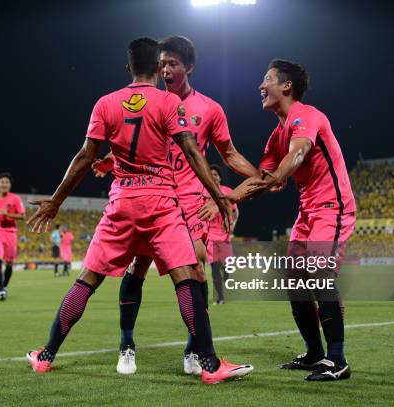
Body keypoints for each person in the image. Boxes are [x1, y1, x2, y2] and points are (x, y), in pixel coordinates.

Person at [25, 37, 253, 384]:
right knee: (187, 277)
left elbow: (85, 156)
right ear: (158, 68)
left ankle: (45, 355)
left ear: (128, 67)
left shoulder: (106, 103)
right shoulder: (168, 102)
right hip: (162, 202)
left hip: (122, 203)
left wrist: (56, 201)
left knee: (88, 278)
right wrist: (219, 195)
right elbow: (192, 153)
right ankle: (208, 364)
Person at [92, 36, 258, 375]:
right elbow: (134, 143)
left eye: (173, 64)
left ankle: (193, 352)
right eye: (162, 63)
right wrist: (110, 161)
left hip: (188, 200)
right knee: (136, 268)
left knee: (197, 269)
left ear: (189, 68)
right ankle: (126, 346)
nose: (166, 69)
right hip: (151, 197)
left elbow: (228, 153)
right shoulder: (147, 101)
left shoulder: (209, 109)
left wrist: (261, 176)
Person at [229, 59, 356, 381]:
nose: (261, 86)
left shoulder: (307, 116)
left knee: (318, 272)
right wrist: (224, 195)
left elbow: (297, 155)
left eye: (267, 79)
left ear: (286, 86)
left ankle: (337, 360)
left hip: (332, 207)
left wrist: (266, 181)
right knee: (295, 279)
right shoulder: (276, 136)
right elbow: (264, 178)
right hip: (307, 212)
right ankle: (315, 353)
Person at [0, 173, 25, 301]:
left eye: (6, 182)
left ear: (10, 185)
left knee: (9, 263)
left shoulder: (16, 199)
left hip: (10, 232)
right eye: (2, 182)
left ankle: (5, 286)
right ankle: (1, 290)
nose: (4, 184)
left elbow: (23, 216)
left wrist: (8, 214)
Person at [204, 165, 239, 305]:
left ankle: (227, 278)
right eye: (210, 174)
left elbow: (235, 212)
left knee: (226, 269)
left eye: (216, 174)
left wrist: (231, 227)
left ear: (220, 177)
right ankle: (220, 298)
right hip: (210, 237)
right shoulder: (204, 192)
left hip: (224, 237)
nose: (213, 176)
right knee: (214, 269)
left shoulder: (227, 192)